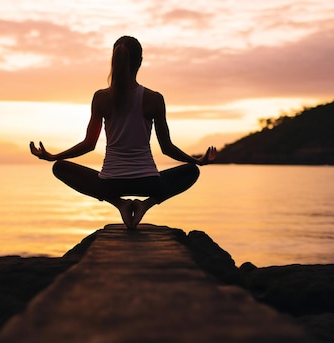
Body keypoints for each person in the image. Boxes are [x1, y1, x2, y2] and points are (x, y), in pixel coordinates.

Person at [30, 36, 216, 229]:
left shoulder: (101, 98)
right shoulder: (154, 99)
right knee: (191, 172)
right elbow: (167, 148)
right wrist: (198, 161)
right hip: (149, 182)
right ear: (140, 62)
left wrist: (54, 157)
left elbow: (89, 144)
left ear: (114, 59)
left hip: (110, 184)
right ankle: (145, 205)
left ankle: (120, 203)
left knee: (60, 168)